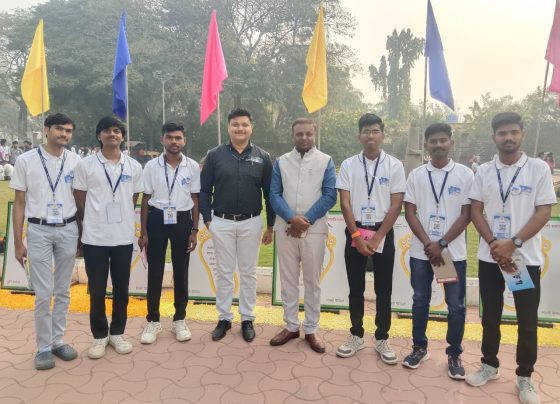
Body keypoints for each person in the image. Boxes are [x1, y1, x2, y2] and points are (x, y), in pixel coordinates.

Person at [466, 112, 556, 404]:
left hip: (522, 260)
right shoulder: (484, 171)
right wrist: (495, 244)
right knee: (490, 317)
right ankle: (489, 365)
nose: (508, 138)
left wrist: (513, 243)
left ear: (522, 135)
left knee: (527, 321)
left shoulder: (537, 169)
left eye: (513, 132)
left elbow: (544, 211)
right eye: (502, 133)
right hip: (491, 257)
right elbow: (475, 210)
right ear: (494, 137)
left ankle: (525, 376)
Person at [9, 113, 81, 370]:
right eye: (59, 129)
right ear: (47, 129)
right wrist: (18, 242)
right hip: (39, 229)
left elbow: (80, 198)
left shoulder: (75, 161)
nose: (64, 134)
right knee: (43, 292)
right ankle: (43, 347)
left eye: (68, 131)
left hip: (68, 228)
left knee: (63, 289)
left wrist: (82, 234)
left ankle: (58, 340)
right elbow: (19, 203)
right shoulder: (26, 160)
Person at [403, 123, 473, 378]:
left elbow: (467, 215)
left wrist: (441, 244)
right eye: (433, 141)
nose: (438, 145)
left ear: (451, 142)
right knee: (420, 300)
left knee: (455, 306)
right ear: (426, 145)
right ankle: (419, 348)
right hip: (422, 253)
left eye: (443, 140)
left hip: (450, 253)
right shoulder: (417, 175)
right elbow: (409, 212)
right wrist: (428, 243)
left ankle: (454, 354)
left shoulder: (465, 174)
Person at [335, 113, 405, 363]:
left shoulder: (394, 166)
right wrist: (356, 235)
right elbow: (344, 203)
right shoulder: (348, 165)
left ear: (382, 135)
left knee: (383, 289)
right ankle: (356, 334)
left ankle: (382, 337)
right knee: (356, 288)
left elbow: (396, 205)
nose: (371, 135)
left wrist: (377, 239)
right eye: (366, 131)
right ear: (359, 136)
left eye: (375, 131)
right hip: (355, 231)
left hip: (382, 232)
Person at [200, 108, 274, 343]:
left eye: (244, 125)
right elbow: (204, 190)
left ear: (251, 127)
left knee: (248, 272)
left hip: (251, 222)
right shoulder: (214, 155)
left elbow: (270, 193)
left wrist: (270, 226)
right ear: (228, 127)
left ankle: (247, 318)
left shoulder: (263, 157)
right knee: (224, 272)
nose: (240, 129)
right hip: (221, 222)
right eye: (235, 125)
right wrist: (207, 219)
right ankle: (224, 318)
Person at [73, 116, 143, 359]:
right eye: (107, 131)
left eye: (116, 131)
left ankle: (118, 333)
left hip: (123, 237)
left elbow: (133, 197)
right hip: (95, 238)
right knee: (97, 289)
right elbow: (79, 199)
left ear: (122, 136)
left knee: (122, 289)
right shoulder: (85, 165)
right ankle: (99, 335)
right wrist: (94, 219)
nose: (112, 134)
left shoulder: (133, 166)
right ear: (99, 135)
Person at [269, 118, 337, 353]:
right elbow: (274, 194)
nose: (304, 138)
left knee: (312, 281)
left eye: (309, 134)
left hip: (314, 230)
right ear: (293, 135)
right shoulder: (281, 162)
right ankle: (290, 325)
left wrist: (304, 221)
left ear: (314, 134)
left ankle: (311, 328)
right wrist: (291, 218)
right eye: (299, 134)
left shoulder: (325, 161)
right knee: (288, 280)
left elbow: (330, 195)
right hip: (286, 228)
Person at [139, 123, 200, 344]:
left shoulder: (192, 166)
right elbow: (145, 199)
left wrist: (194, 230)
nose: (174, 141)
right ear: (163, 140)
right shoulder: (151, 166)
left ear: (184, 140)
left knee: (181, 270)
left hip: (182, 220)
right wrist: (144, 231)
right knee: (154, 270)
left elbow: (195, 199)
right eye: (170, 137)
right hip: (157, 219)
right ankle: (153, 321)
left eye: (178, 138)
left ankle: (179, 319)